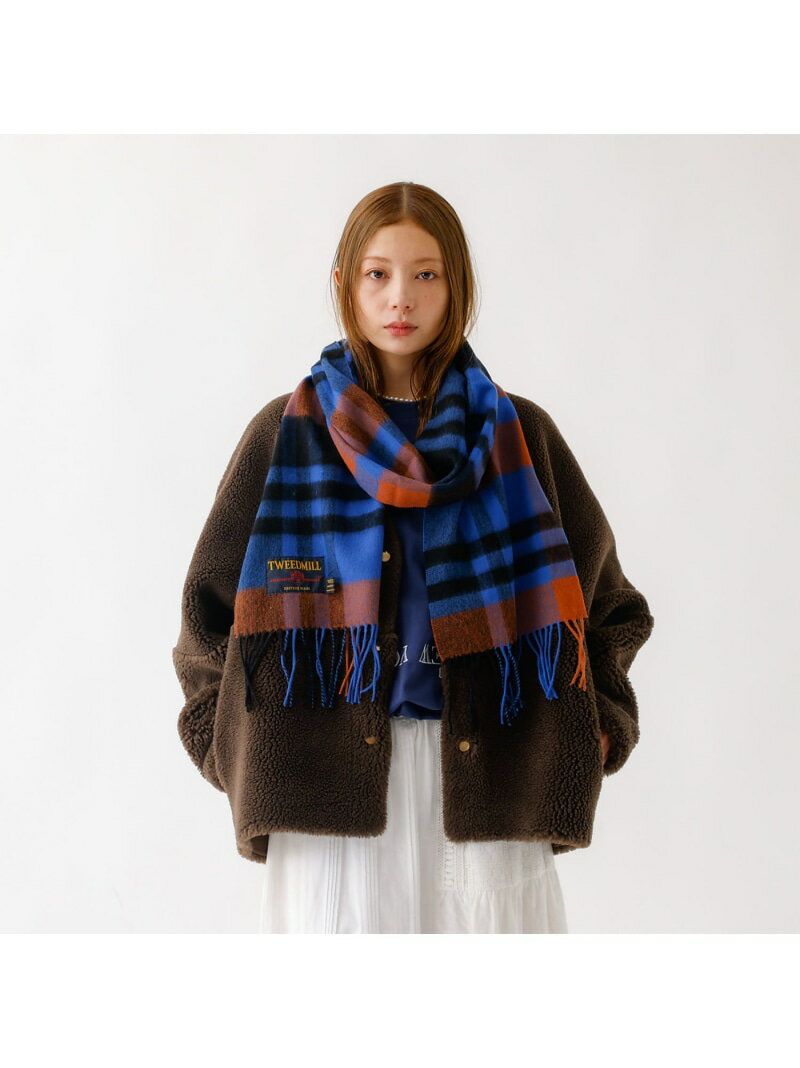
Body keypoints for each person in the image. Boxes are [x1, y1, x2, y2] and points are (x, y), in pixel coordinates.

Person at [172, 181, 655, 934]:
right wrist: (225, 741)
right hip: (322, 793)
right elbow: (206, 613)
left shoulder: (519, 434)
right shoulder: (287, 433)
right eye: (379, 273)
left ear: (456, 285)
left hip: (493, 782)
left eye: (426, 273)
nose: (401, 296)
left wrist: (601, 730)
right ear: (345, 284)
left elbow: (612, 607)